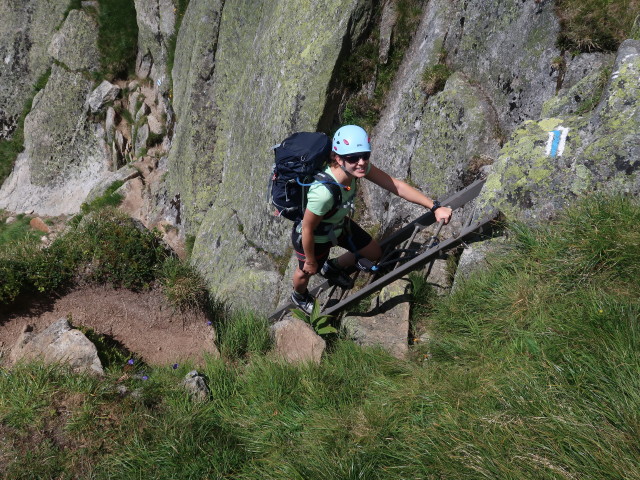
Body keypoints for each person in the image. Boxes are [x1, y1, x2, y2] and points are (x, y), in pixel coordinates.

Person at [290, 124, 452, 313]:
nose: (361, 162)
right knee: (305, 273)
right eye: (353, 158)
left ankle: (332, 267)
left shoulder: (356, 169)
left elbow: (396, 186)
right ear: (337, 157)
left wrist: (434, 206)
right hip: (316, 236)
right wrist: (310, 260)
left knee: (374, 253)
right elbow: (308, 228)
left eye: (365, 155)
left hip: (339, 224)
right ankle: (299, 296)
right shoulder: (323, 193)